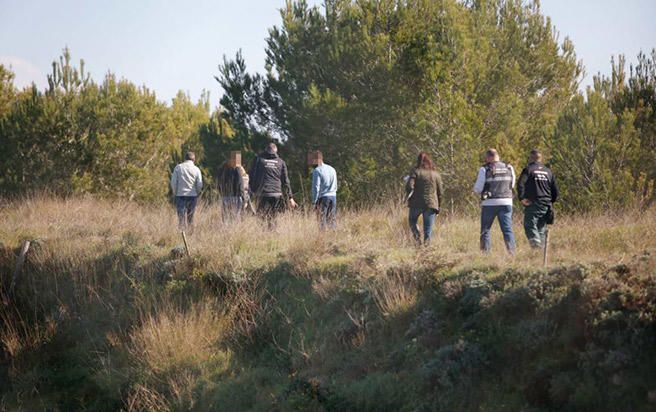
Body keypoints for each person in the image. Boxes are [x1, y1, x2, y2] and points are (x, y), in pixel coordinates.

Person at [473, 148, 516, 254]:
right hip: (506, 202)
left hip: (489, 203)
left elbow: (478, 188)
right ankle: (512, 252)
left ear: (488, 158)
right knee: (507, 229)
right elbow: (512, 184)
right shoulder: (509, 167)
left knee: (485, 230)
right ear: (498, 156)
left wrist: (479, 191)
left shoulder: (485, 169)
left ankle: (485, 254)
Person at [248, 143, 297, 229]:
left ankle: (263, 236)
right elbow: (285, 181)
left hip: (263, 194)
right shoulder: (281, 162)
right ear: (276, 151)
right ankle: (273, 234)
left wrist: (252, 190)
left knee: (261, 218)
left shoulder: (259, 160)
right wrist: (290, 197)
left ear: (266, 150)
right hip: (276, 194)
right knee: (274, 218)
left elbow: (252, 175)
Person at [517, 149, 559, 249]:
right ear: (541, 158)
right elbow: (555, 190)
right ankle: (542, 251)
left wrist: (522, 198)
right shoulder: (548, 171)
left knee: (530, 225)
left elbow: (520, 184)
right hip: (546, 204)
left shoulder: (528, 169)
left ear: (531, 158)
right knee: (541, 227)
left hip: (533, 203)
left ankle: (537, 248)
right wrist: (551, 201)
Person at [406, 152, 443, 245]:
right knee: (428, 230)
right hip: (431, 204)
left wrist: (408, 196)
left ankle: (417, 237)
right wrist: (438, 207)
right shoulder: (436, 175)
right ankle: (427, 250)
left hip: (416, 203)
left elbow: (410, 186)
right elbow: (440, 193)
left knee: (412, 221)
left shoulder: (415, 172)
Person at [170, 151, 203, 230]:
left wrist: (175, 192)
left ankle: (182, 233)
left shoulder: (178, 167)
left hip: (180, 195)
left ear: (185, 158)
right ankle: (190, 232)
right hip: (192, 196)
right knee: (190, 217)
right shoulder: (196, 169)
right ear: (194, 159)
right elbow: (199, 184)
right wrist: (197, 192)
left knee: (181, 217)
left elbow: (173, 182)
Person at [309, 150, 338, 230]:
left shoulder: (317, 170)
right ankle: (333, 235)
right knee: (332, 219)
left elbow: (316, 187)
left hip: (323, 197)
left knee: (322, 220)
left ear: (316, 159)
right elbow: (335, 184)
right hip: (333, 196)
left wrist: (314, 202)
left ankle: (322, 237)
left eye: (312, 159)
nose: (311, 161)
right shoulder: (332, 169)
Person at [217, 151, 244, 223]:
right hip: (235, 197)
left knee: (225, 218)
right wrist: (243, 196)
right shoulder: (237, 169)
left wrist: (221, 193)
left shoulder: (221, 169)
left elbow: (218, 184)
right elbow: (240, 183)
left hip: (224, 197)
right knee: (235, 218)